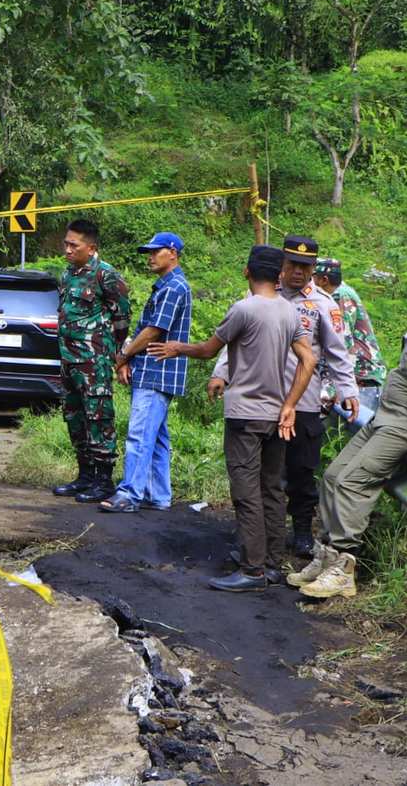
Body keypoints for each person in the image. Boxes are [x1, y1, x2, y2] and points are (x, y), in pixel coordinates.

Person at [293, 262, 407, 600]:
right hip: (388, 417)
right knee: (332, 476)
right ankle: (326, 555)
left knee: (353, 482)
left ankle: (344, 566)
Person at [150, 245, 316, 592]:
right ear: (280, 274)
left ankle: (252, 569)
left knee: (246, 491)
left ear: (247, 272)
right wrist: (290, 403)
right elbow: (309, 361)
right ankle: (271, 564)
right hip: (275, 415)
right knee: (271, 488)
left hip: (245, 414)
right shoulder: (289, 312)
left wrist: (177, 347)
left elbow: (210, 349)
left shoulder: (243, 309)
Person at [211, 236, 359, 557]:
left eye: (305, 267)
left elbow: (337, 353)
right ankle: (258, 542)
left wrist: (347, 390)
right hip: (265, 400)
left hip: (303, 402)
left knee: (302, 469)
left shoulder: (322, 304)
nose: (297, 272)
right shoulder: (262, 296)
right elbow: (236, 343)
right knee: (266, 476)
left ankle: (302, 531)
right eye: (292, 265)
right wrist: (221, 372)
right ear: (282, 265)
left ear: (313, 269)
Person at [100, 232, 192, 513]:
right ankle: (158, 494)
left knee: (139, 434)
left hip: (157, 372)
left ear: (173, 253)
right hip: (151, 370)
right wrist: (128, 361)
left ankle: (130, 493)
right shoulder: (165, 286)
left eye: (156, 251)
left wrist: (124, 356)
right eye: (149, 252)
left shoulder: (174, 287)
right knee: (157, 437)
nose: (150, 256)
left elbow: (153, 331)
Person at [52, 219, 131, 503]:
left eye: (74, 245)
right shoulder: (68, 275)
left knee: (99, 418)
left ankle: (103, 480)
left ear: (91, 247)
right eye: (66, 243)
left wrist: (119, 356)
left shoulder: (106, 275)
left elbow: (121, 318)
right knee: (74, 417)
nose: (68, 249)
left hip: (94, 362)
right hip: (68, 360)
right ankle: (84, 475)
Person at [313, 257, 387, 416]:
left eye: (312, 278)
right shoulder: (333, 294)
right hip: (350, 376)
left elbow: (343, 346)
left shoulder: (339, 296)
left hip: (362, 377)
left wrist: (335, 389)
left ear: (323, 280)